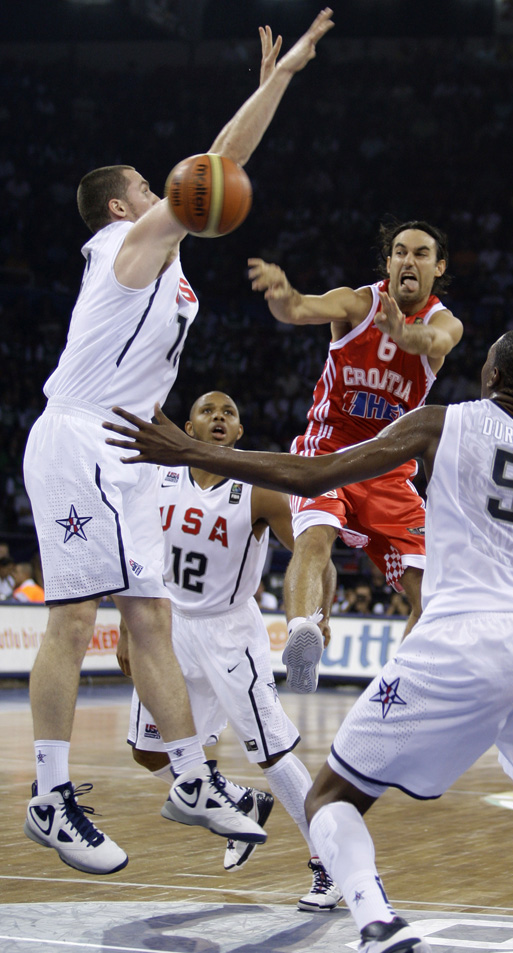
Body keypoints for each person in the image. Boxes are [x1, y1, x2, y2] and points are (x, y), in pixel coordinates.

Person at [105, 320, 513, 953]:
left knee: (329, 796)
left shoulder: (440, 423)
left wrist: (193, 453)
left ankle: (377, 923)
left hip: (464, 635)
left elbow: (316, 474)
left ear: (491, 375)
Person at [21, 9, 335, 877]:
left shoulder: (159, 260)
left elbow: (217, 167)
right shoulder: (127, 243)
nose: (173, 189)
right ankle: (49, 796)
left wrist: (278, 83)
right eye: (150, 185)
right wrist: (278, 80)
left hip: (122, 449)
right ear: (127, 204)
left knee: (150, 617)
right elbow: (218, 163)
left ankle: (194, 776)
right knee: (76, 618)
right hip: (80, 439)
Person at [119, 390, 341, 910]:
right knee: (149, 752)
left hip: (229, 633)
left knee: (272, 751)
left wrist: (317, 613)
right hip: (168, 626)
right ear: (189, 428)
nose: (219, 417)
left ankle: (326, 859)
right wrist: (130, 625)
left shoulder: (259, 488)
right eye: (207, 411)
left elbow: (316, 553)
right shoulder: (159, 476)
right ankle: (237, 800)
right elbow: (135, 552)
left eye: (230, 413)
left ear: (239, 433)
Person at [247, 220, 463, 693]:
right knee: (315, 538)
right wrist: (283, 294)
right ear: (388, 262)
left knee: (434, 596)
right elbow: (300, 308)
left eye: (421, 253)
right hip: (328, 450)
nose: (409, 260)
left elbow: (434, 344)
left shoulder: (444, 322)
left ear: (438, 266)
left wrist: (402, 333)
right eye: (400, 252)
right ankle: (303, 633)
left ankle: (401, 688)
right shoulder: (357, 302)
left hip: (389, 470)